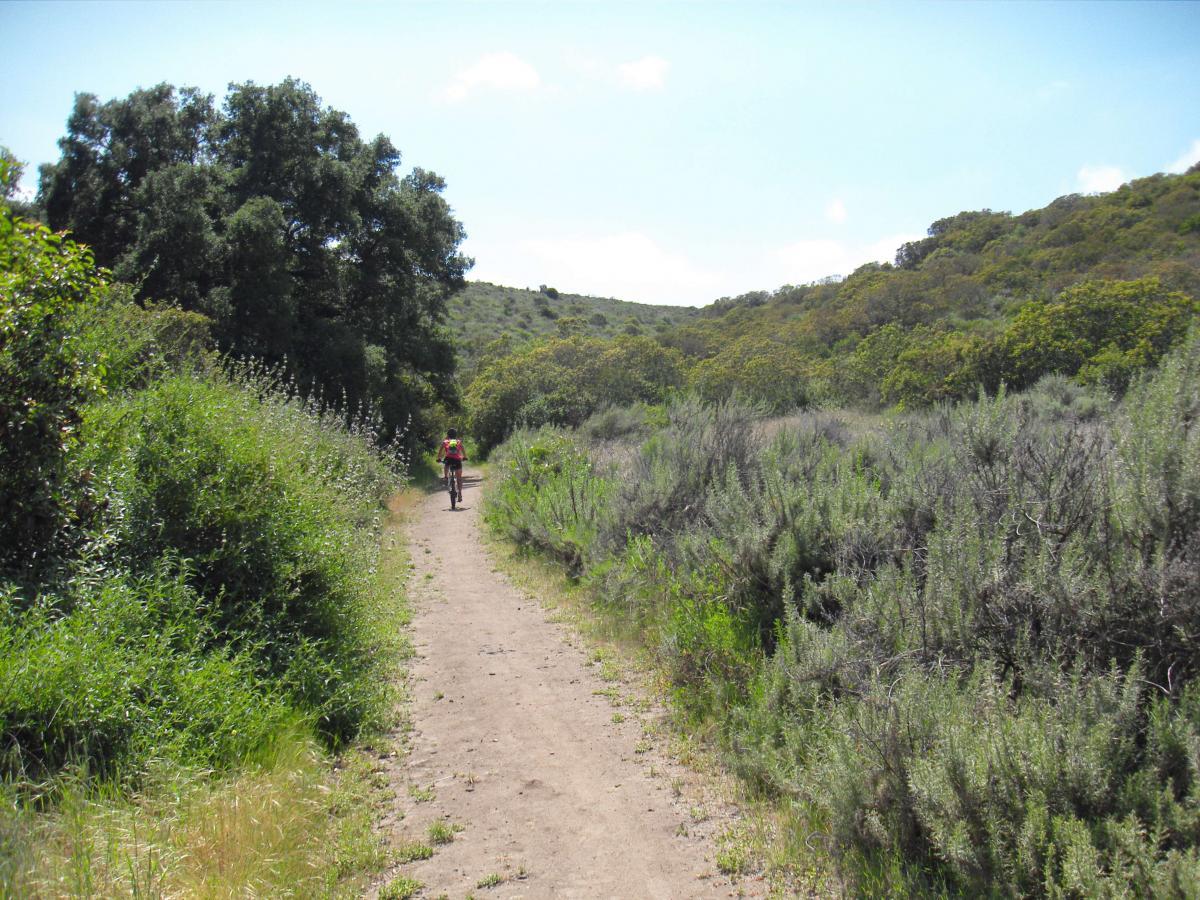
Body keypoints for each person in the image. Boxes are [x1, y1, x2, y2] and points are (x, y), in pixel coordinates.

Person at [437, 428, 467, 502]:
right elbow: (463, 451)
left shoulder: (445, 442)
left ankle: (446, 476)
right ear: (455, 435)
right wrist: (465, 457)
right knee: (459, 478)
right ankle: (459, 493)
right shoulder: (458, 442)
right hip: (457, 460)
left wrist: (438, 458)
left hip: (449, 460)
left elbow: (440, 452)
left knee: (446, 464)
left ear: (448, 435)